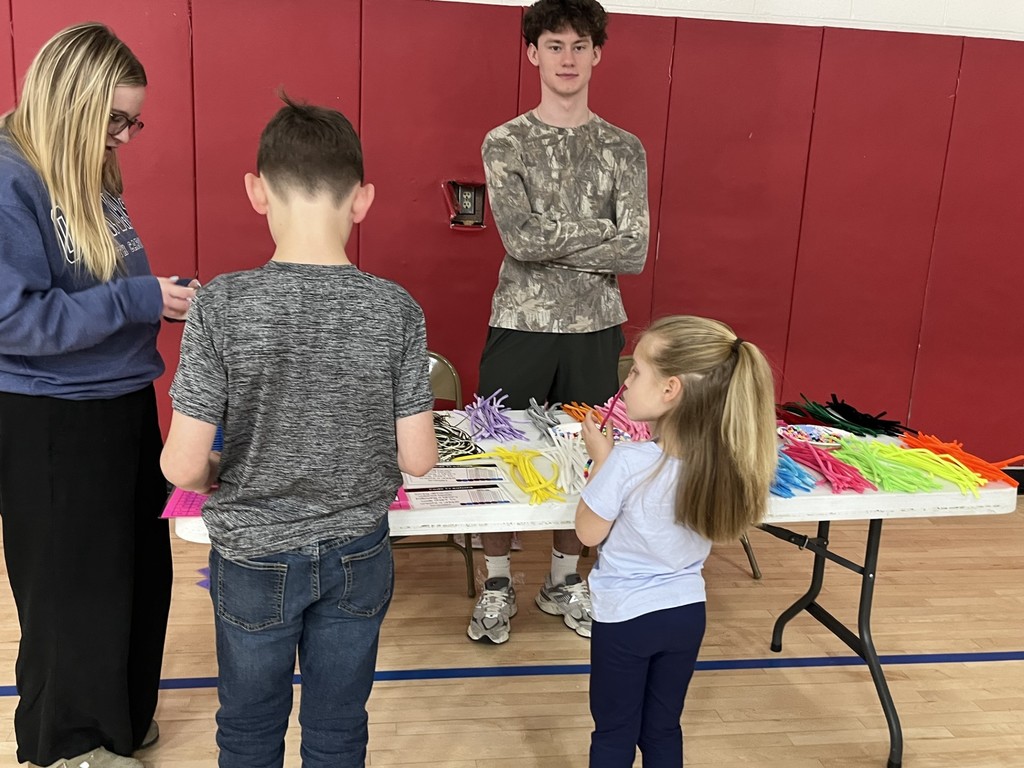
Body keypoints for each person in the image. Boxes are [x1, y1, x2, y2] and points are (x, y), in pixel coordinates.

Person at [160, 96, 438, 768]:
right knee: (338, 729)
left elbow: (181, 465)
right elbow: (420, 458)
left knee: (250, 730)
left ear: (258, 191)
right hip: (357, 553)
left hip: (253, 554)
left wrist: (216, 468)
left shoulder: (223, 303)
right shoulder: (396, 309)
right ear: (363, 199)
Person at [0, 22, 194, 768]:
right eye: (114, 119)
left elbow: (102, 289)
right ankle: (70, 743)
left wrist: (159, 298)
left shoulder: (89, 171)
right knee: (71, 589)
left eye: (130, 121)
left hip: (118, 400)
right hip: (51, 415)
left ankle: (118, 715)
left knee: (138, 576)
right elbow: (16, 318)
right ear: (70, 103)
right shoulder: (12, 177)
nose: (124, 136)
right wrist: (141, 300)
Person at [470, 0, 650, 644]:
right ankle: (496, 579)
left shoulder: (623, 149)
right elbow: (519, 239)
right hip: (519, 322)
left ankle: (565, 578)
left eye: (579, 45)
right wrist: (596, 229)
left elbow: (634, 250)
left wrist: (556, 236)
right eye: (554, 44)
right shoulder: (506, 140)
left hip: (597, 327)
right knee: (502, 448)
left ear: (598, 53)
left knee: (586, 456)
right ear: (532, 53)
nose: (567, 58)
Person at [576, 316, 778, 767]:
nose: (625, 383)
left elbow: (588, 532)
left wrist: (602, 461)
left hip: (627, 619)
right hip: (687, 614)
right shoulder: (727, 461)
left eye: (636, 372)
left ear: (670, 391)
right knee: (663, 727)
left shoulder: (629, 462)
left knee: (613, 732)